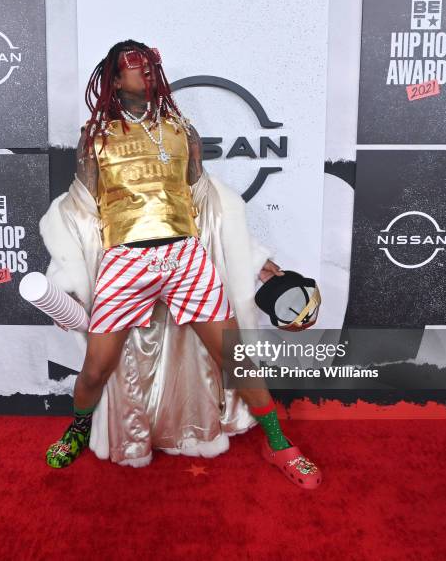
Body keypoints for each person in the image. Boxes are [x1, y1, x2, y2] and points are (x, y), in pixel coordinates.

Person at [44, 40, 322, 489]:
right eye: (136, 68)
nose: (148, 74)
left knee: (236, 358)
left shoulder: (181, 130)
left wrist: (257, 261)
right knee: (97, 366)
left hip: (186, 257)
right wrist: (67, 278)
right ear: (115, 80)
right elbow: (78, 212)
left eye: (152, 66)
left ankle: (278, 442)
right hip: (125, 262)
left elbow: (210, 206)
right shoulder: (94, 137)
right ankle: (77, 428)